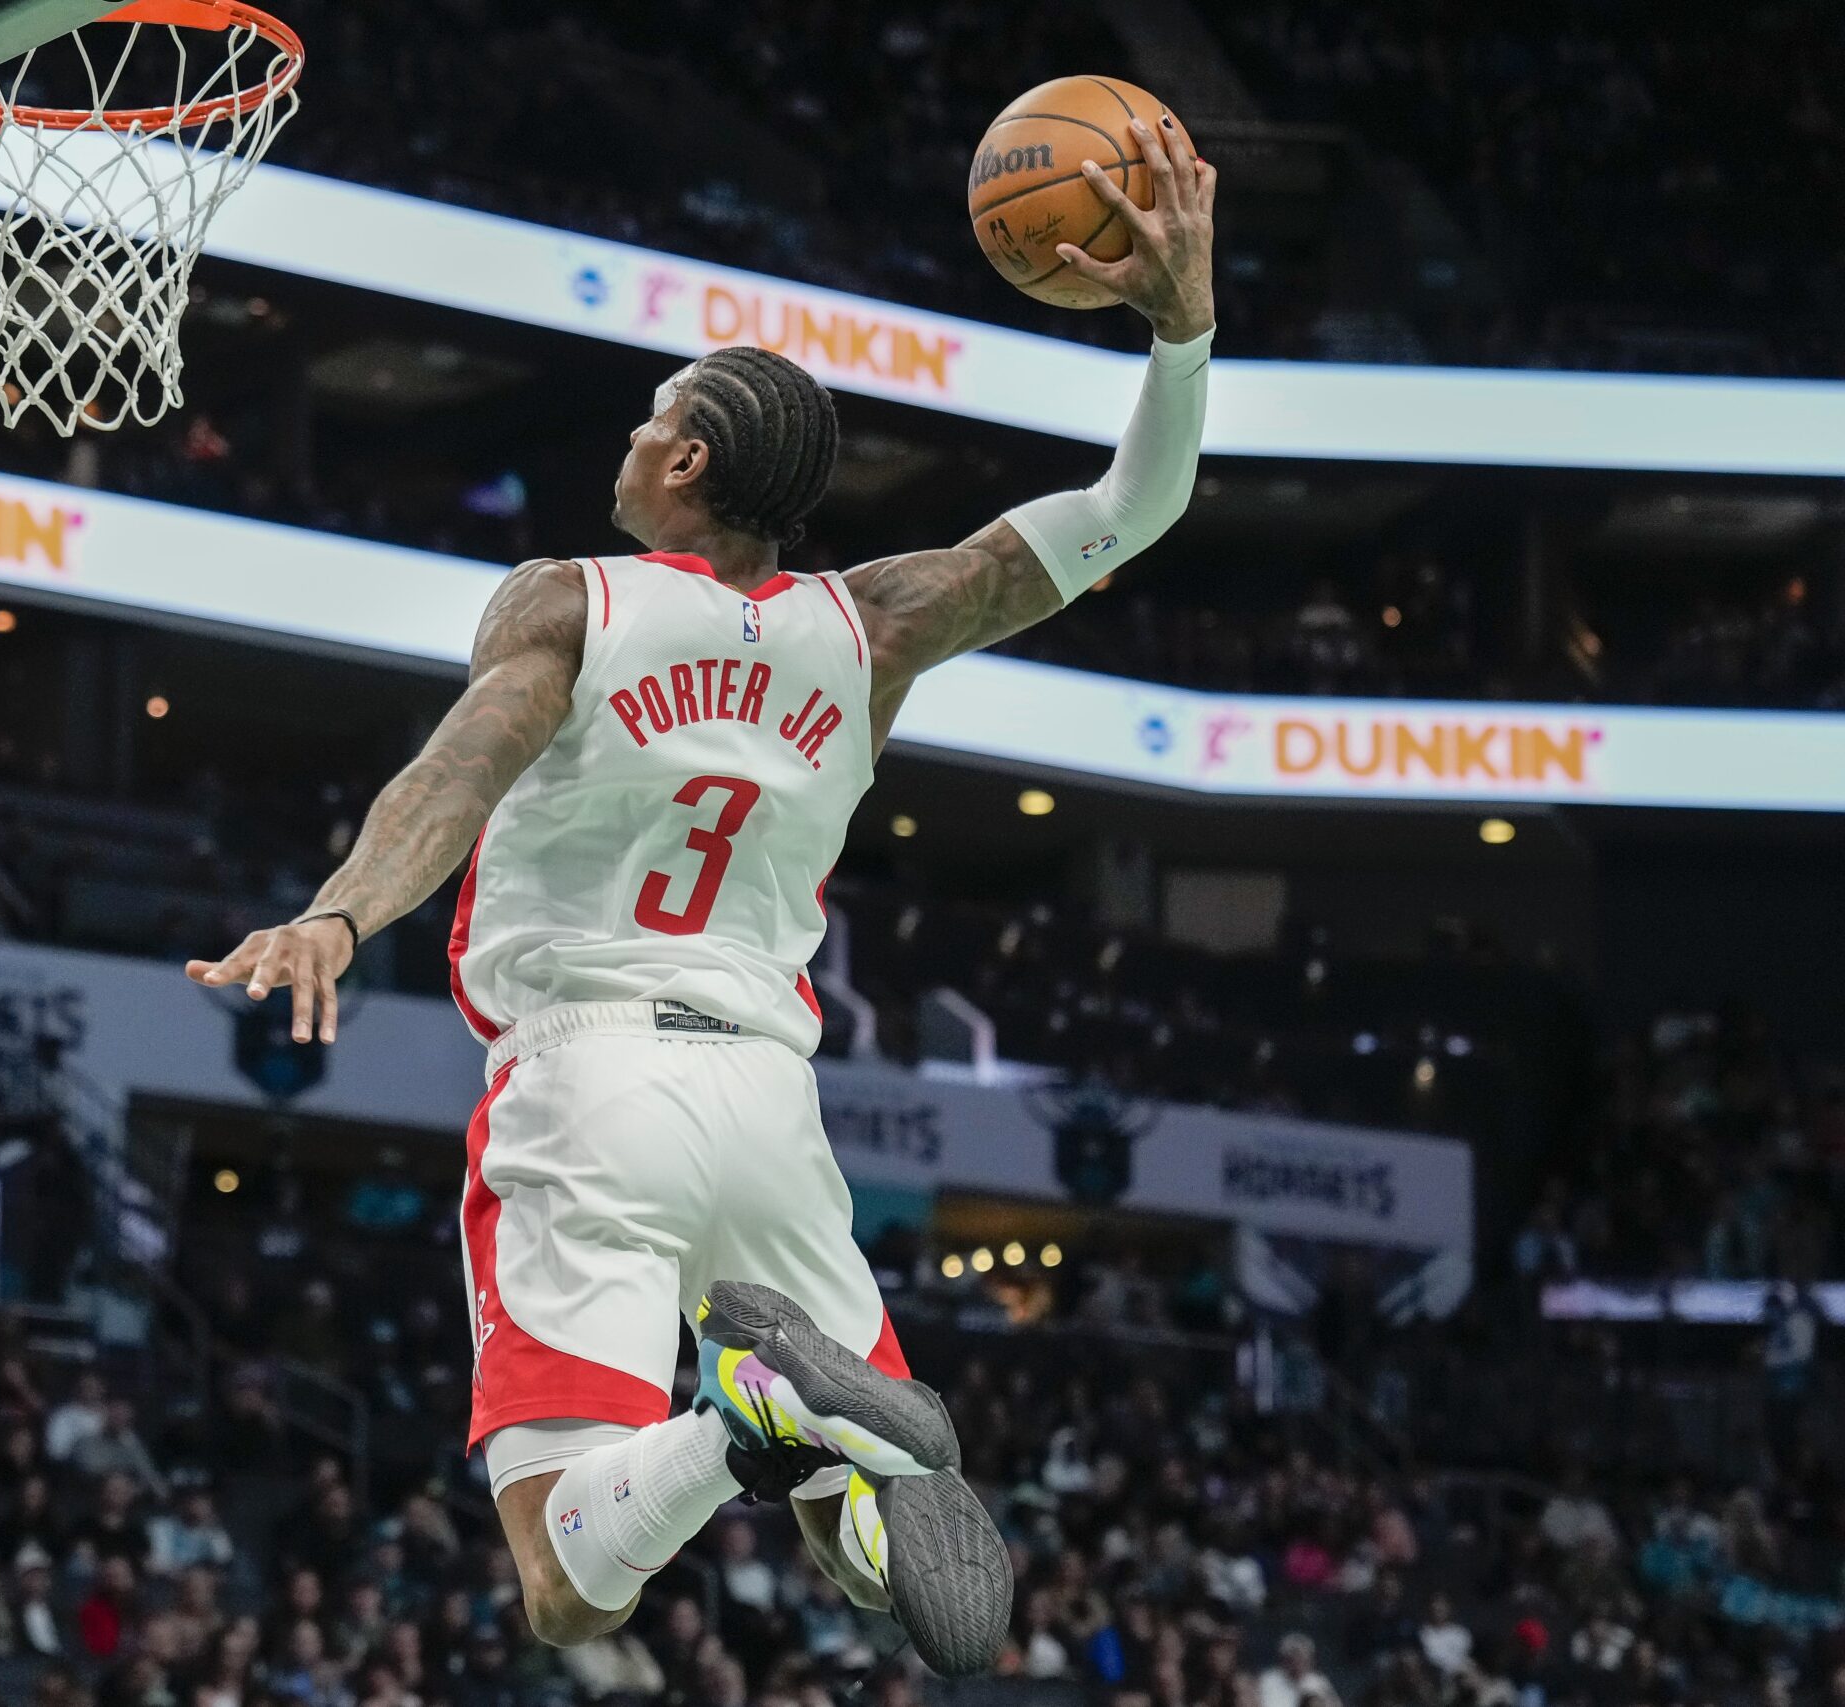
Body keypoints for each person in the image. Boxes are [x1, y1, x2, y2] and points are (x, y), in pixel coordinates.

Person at [185, 111, 1217, 1676]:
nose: (626, 438)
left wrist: (338, 910)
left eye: (647, 417)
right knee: (860, 1542)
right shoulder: (875, 626)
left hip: (589, 1076)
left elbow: (454, 774)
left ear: (682, 457)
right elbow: (1128, 513)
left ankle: (742, 1424)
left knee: (562, 1582)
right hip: (767, 1103)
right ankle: (804, 1433)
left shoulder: (569, 602)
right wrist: (1185, 329)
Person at [1259, 1632, 1338, 1707]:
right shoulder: (1268, 1681)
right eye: (1293, 1659)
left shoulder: (1318, 1682)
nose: (1298, 1664)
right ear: (1283, 1660)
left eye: (1302, 1659)